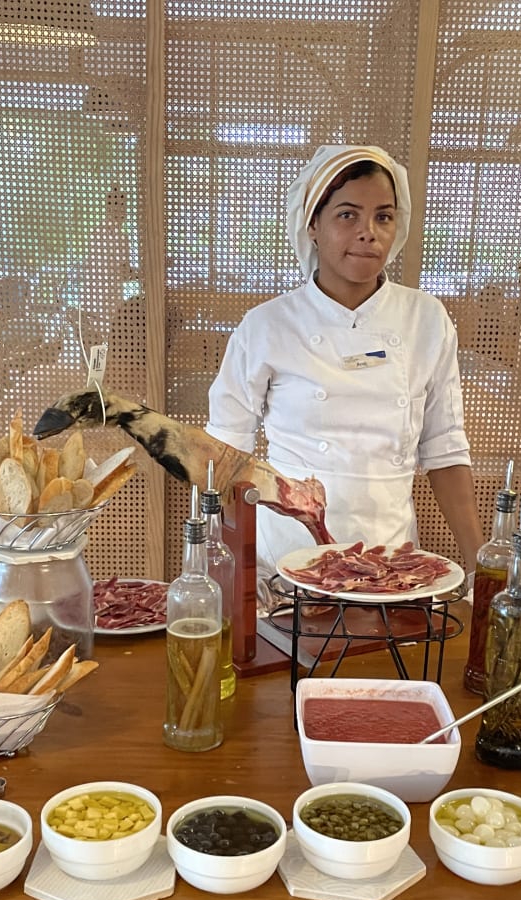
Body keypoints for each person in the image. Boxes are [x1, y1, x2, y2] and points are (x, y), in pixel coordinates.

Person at [206, 144, 483, 578]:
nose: (368, 232)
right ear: (313, 224)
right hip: (288, 562)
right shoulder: (267, 326)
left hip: (392, 563)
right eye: (347, 215)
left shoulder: (426, 320)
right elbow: (225, 456)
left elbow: (444, 448)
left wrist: (482, 566)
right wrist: (223, 574)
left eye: (383, 217)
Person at [81, 186, 135, 335]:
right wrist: (146, 273)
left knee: (96, 344)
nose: (124, 214)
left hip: (92, 303)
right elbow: (125, 274)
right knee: (110, 341)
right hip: (109, 303)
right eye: (123, 208)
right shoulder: (120, 238)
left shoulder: (95, 233)